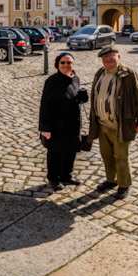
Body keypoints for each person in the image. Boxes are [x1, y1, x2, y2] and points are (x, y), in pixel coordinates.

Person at [88, 45, 138, 196]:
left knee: (121, 157)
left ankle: (124, 184)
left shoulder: (128, 74)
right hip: (102, 124)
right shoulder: (100, 73)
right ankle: (111, 180)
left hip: (120, 124)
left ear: (118, 57)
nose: (108, 61)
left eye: (111, 58)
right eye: (105, 59)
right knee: (106, 155)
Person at [38, 52, 88, 187]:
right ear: (57, 65)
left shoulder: (75, 78)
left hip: (73, 123)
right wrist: (45, 128)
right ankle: (53, 178)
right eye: (63, 62)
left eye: (69, 62)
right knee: (55, 152)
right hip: (56, 124)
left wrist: (83, 97)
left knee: (71, 151)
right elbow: (45, 104)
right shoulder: (52, 81)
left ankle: (67, 176)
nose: (66, 65)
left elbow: (75, 98)